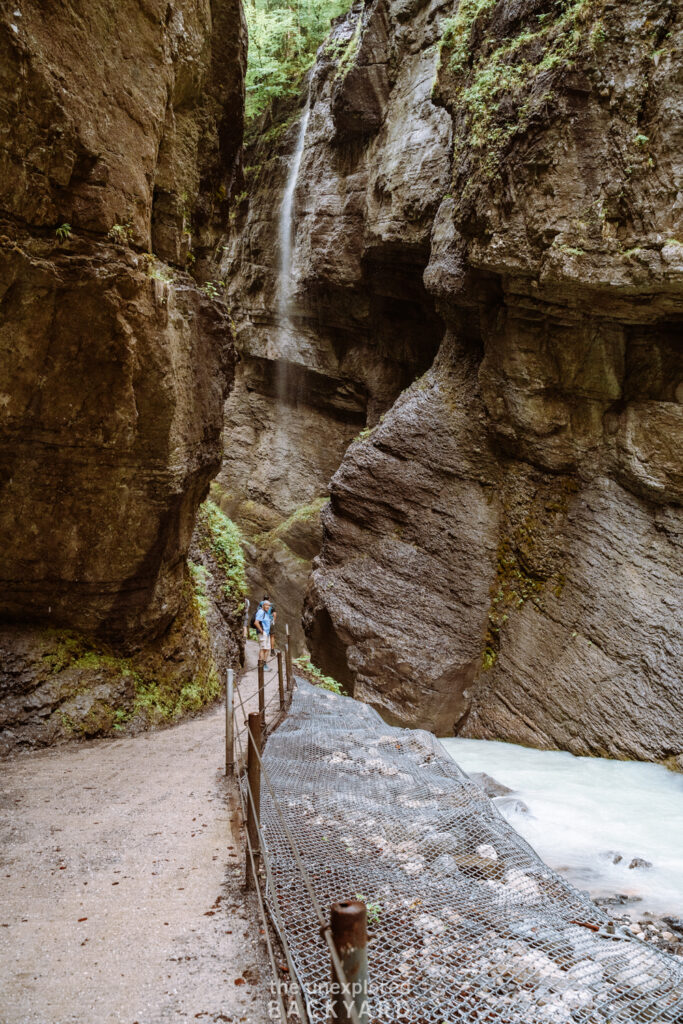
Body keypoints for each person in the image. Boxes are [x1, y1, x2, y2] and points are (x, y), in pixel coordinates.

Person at [254, 599, 272, 665]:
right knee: (262, 648)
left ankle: (264, 663)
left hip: (267, 633)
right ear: (263, 605)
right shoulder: (261, 612)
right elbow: (256, 622)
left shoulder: (266, 613)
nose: (268, 607)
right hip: (263, 633)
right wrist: (262, 631)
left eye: (269, 606)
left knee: (267, 649)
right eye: (267, 605)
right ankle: (260, 664)